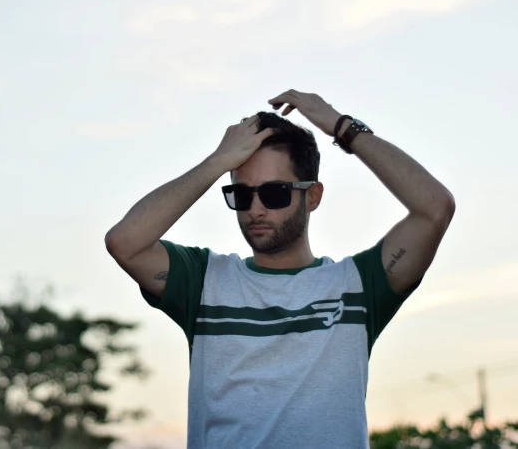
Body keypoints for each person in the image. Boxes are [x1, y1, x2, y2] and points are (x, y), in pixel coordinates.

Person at [104, 90, 455, 448]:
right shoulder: (204, 282)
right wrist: (217, 162)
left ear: (313, 196)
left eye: (274, 193)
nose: (255, 209)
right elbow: (125, 242)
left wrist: (342, 128)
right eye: (241, 195)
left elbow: (435, 208)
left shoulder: (358, 287)